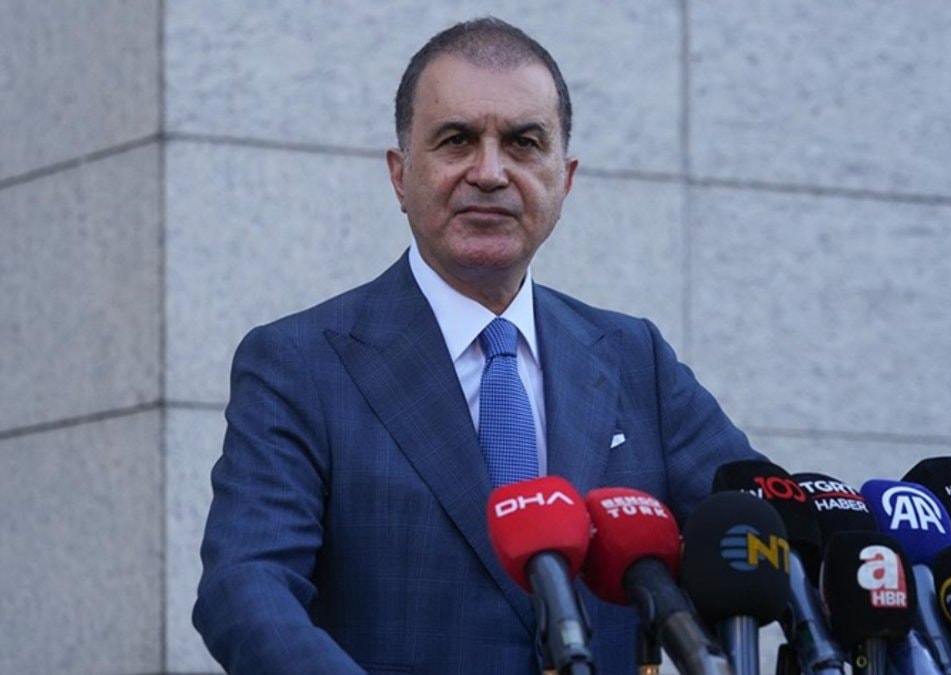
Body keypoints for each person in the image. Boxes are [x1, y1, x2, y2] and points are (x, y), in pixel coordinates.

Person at [194, 17, 762, 674]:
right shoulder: (299, 364)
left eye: (523, 143)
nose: (490, 173)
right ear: (400, 175)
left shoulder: (636, 358)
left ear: (565, 179)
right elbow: (246, 588)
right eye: (457, 140)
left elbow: (759, 534)